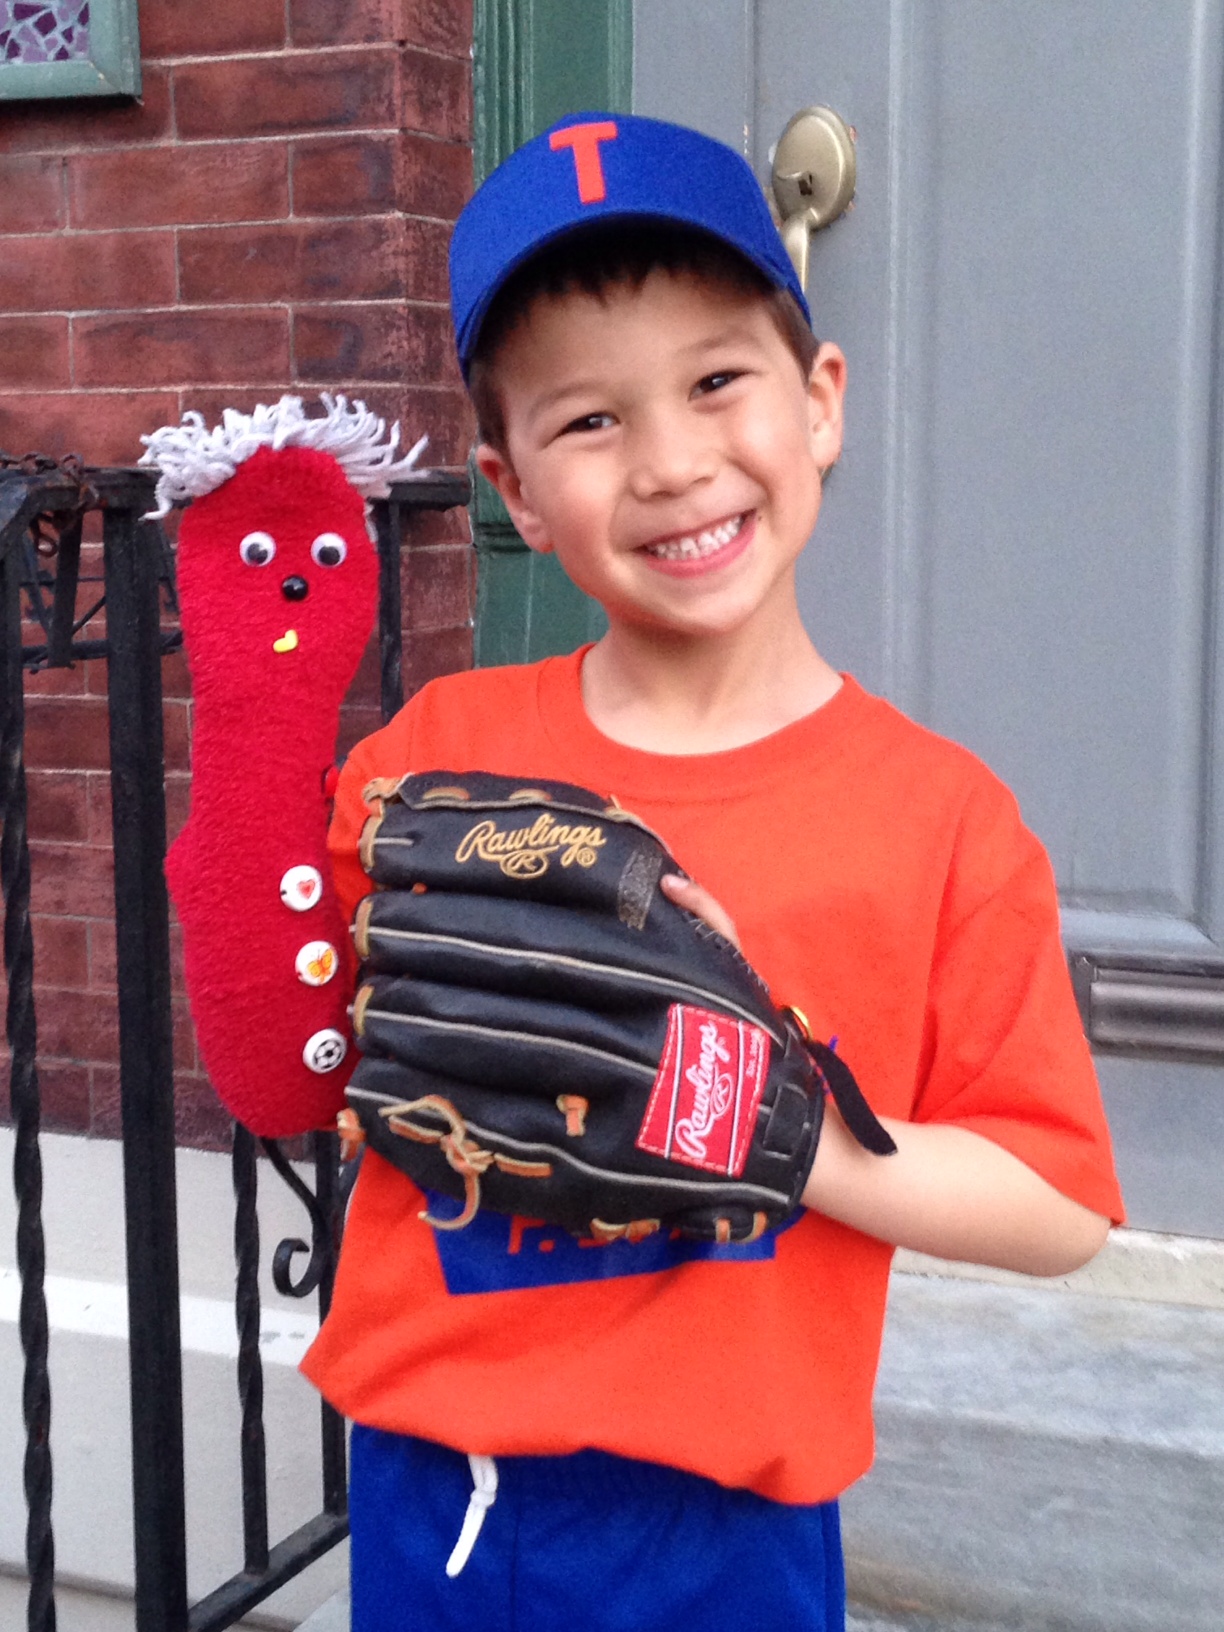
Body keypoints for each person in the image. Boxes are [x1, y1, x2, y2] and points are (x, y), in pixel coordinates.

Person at [302, 113, 1124, 1632]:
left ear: (819, 402)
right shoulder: (437, 759)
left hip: (729, 1528)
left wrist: (777, 1130)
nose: (674, 463)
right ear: (513, 490)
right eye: (590, 420)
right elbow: (302, 1053)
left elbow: (1059, 1203)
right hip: (435, 1495)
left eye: (716, 382)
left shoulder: (940, 818)